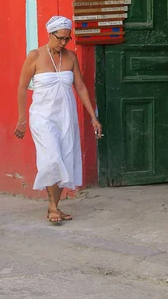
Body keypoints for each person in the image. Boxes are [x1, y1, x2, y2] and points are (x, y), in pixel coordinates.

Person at [15, 16, 103, 224]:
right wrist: (21, 119)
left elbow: (80, 87)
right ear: (49, 34)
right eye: (60, 38)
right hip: (42, 116)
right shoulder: (35, 56)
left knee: (65, 157)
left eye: (67, 39)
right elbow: (21, 87)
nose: (63, 43)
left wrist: (93, 117)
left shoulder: (71, 57)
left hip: (66, 114)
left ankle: (54, 206)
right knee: (51, 157)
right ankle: (53, 206)